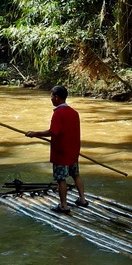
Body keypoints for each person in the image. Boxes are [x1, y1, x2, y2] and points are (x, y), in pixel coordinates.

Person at [25, 85, 86, 213]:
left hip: (61, 152)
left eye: (52, 96)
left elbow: (53, 132)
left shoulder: (58, 113)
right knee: (75, 174)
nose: (51, 99)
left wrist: (35, 134)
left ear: (57, 98)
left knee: (61, 179)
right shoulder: (74, 113)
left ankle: (64, 205)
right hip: (73, 150)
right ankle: (82, 199)